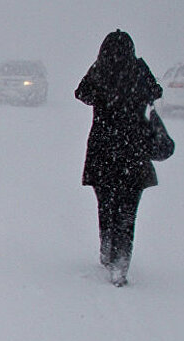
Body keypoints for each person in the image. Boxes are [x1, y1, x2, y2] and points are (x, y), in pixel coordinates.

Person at [75, 29, 162, 287]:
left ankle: (107, 250)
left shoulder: (100, 72)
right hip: (133, 154)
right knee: (127, 213)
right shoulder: (138, 71)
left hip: (104, 152)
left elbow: (81, 93)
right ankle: (121, 264)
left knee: (106, 205)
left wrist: (98, 69)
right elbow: (155, 93)